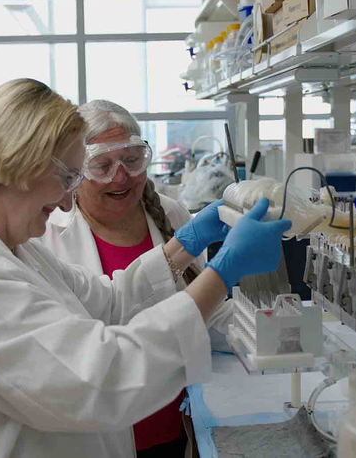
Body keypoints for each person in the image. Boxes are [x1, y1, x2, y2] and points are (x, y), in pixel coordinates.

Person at [0, 78, 291, 458]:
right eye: (67, 177)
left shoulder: (10, 247)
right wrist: (221, 275)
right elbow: (103, 379)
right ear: (18, 163)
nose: (67, 201)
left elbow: (111, 302)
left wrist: (184, 246)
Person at [41, 99, 232, 456]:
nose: (121, 176)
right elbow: (98, 326)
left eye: (132, 160)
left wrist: (267, 330)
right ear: (77, 172)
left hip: (173, 417)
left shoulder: (170, 213)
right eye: (102, 165)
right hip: (101, 430)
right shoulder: (46, 235)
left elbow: (205, 310)